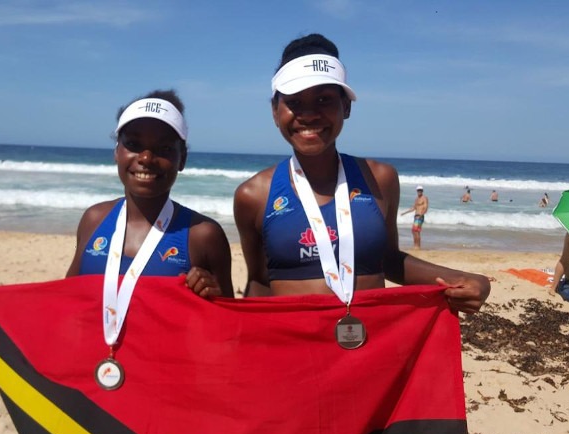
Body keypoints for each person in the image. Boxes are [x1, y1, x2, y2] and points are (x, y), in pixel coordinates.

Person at [233, 33, 490, 314]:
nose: (309, 114)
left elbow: (387, 260)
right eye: (294, 102)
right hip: (294, 351)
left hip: (368, 349)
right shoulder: (253, 195)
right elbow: (258, 283)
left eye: (323, 99)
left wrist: (462, 280)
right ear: (275, 111)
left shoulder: (379, 179)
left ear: (346, 106)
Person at [65, 89, 233, 299]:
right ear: (117, 151)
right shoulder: (94, 220)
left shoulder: (203, 236)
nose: (146, 158)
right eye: (134, 145)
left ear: (182, 158)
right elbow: (66, 299)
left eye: (163, 148)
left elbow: (228, 322)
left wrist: (212, 296)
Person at [401, 186, 429, 250]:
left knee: (416, 231)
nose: (419, 191)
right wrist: (405, 212)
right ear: (417, 191)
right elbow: (414, 208)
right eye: (418, 190)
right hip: (416, 216)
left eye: (420, 190)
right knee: (413, 231)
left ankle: (418, 246)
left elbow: (426, 207)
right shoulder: (416, 199)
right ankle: (415, 245)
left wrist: (421, 215)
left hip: (420, 216)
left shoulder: (424, 198)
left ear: (422, 191)